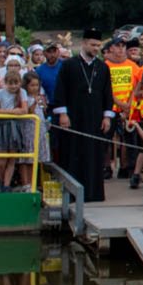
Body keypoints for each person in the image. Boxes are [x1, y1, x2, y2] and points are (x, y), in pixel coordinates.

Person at [54, 30, 115, 204]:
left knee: (94, 154)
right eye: (93, 45)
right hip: (73, 116)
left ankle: (93, 193)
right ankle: (73, 193)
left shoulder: (103, 67)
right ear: (84, 43)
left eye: (98, 46)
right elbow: (60, 90)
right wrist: (63, 114)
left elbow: (107, 94)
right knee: (73, 152)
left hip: (95, 117)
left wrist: (107, 117)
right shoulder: (69, 65)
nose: (96, 48)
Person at [104, 37, 140, 178]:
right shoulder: (105, 66)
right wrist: (120, 104)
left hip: (129, 109)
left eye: (123, 46)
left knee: (129, 139)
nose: (121, 49)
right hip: (111, 108)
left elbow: (137, 86)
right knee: (106, 139)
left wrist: (129, 105)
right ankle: (106, 167)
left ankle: (126, 168)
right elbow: (105, 89)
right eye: (117, 46)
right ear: (111, 48)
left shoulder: (133, 66)